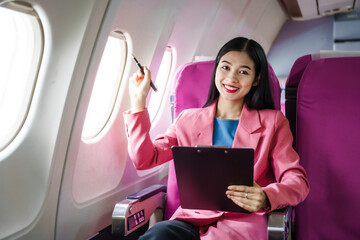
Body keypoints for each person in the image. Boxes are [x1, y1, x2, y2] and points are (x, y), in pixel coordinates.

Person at [123, 37, 309, 240]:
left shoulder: (272, 123)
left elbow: (297, 181)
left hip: (243, 225)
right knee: (158, 234)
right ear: (217, 70)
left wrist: (266, 196)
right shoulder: (187, 119)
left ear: (256, 79)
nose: (231, 78)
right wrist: (138, 102)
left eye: (243, 72)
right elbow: (144, 159)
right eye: (225, 68)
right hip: (191, 221)